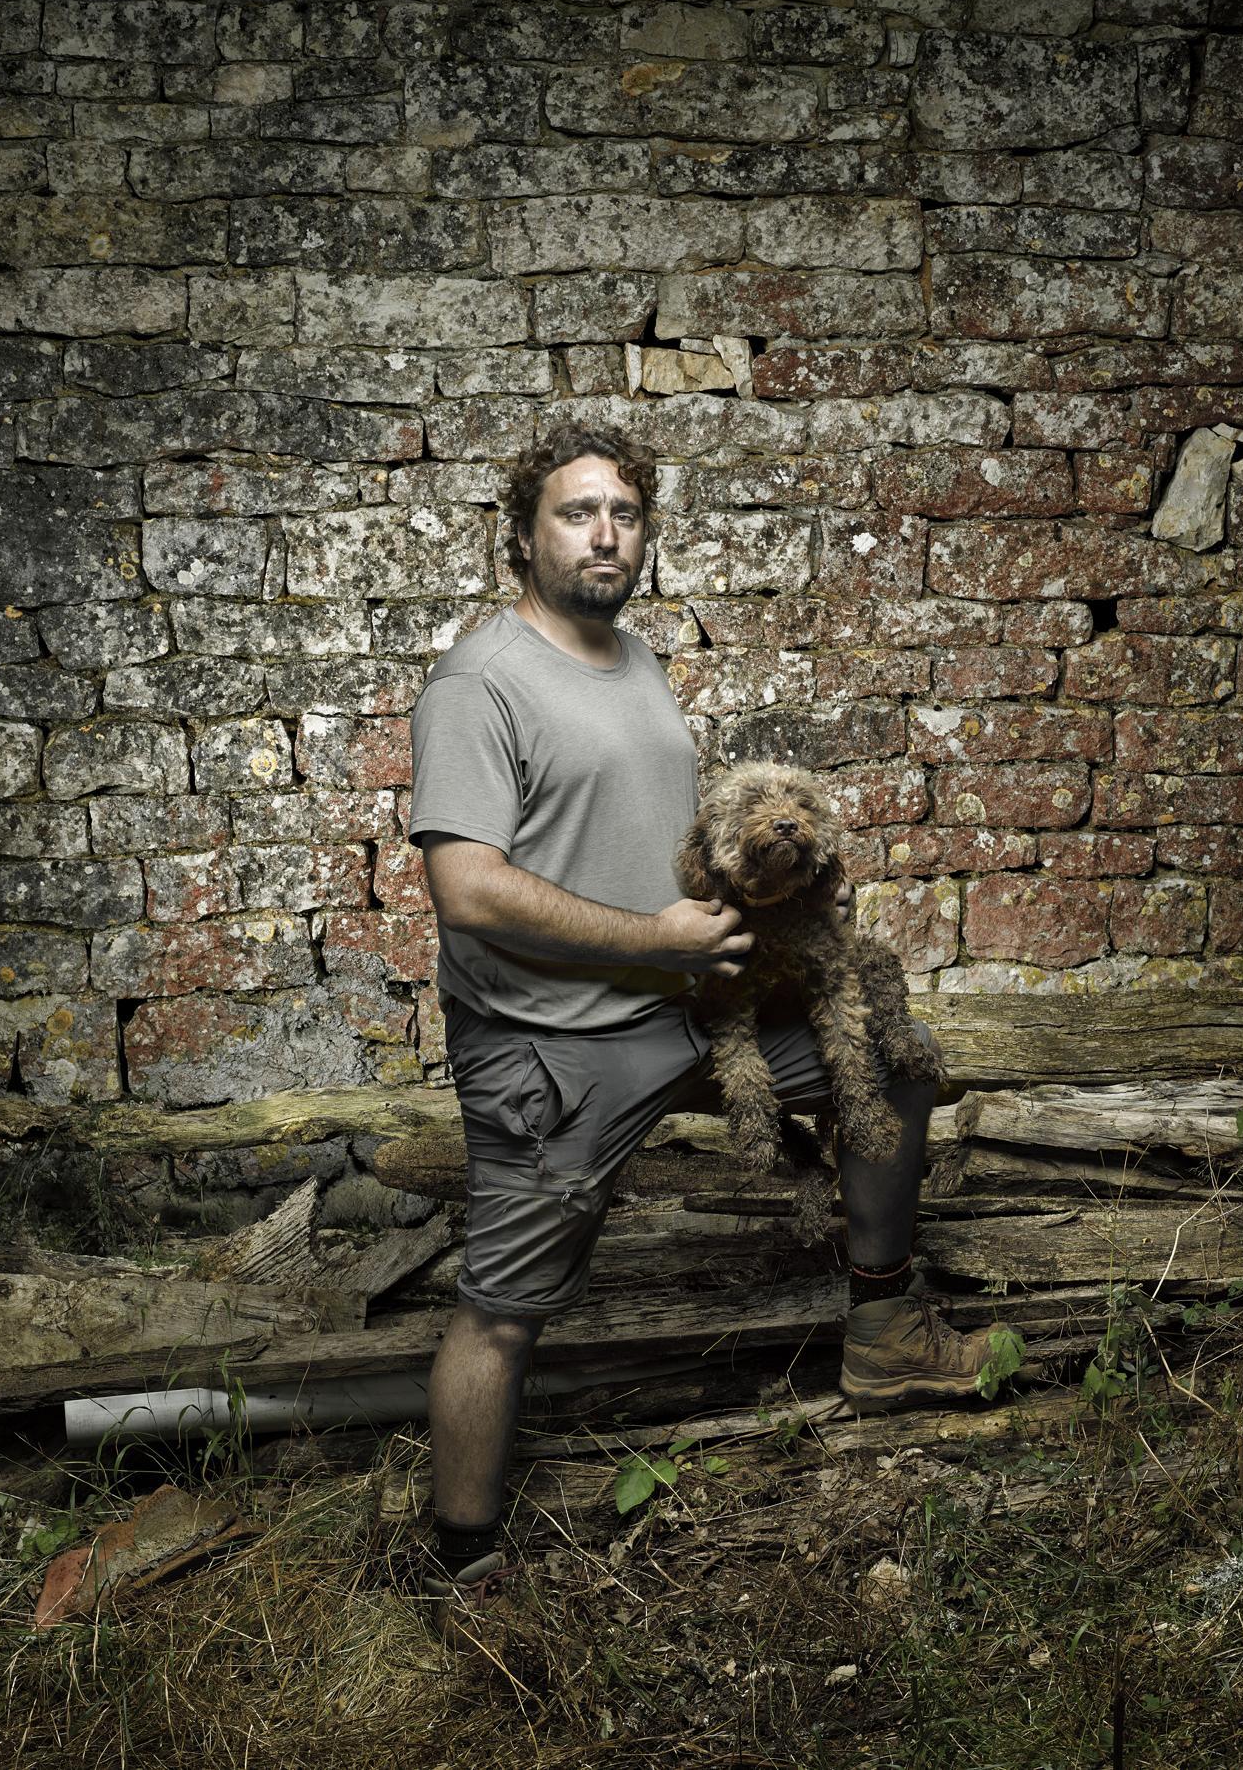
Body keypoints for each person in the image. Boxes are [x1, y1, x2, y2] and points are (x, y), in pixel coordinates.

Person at [406, 423, 992, 1619]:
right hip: (556, 1050)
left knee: (891, 1055)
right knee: (503, 1313)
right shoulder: (481, 683)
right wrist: (655, 941)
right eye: (576, 512)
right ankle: (459, 1562)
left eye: (623, 511)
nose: (604, 533)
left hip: (693, 1010)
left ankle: (883, 1330)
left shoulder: (636, 662)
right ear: (521, 535)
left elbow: (679, 853)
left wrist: (785, 888)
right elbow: (465, 889)